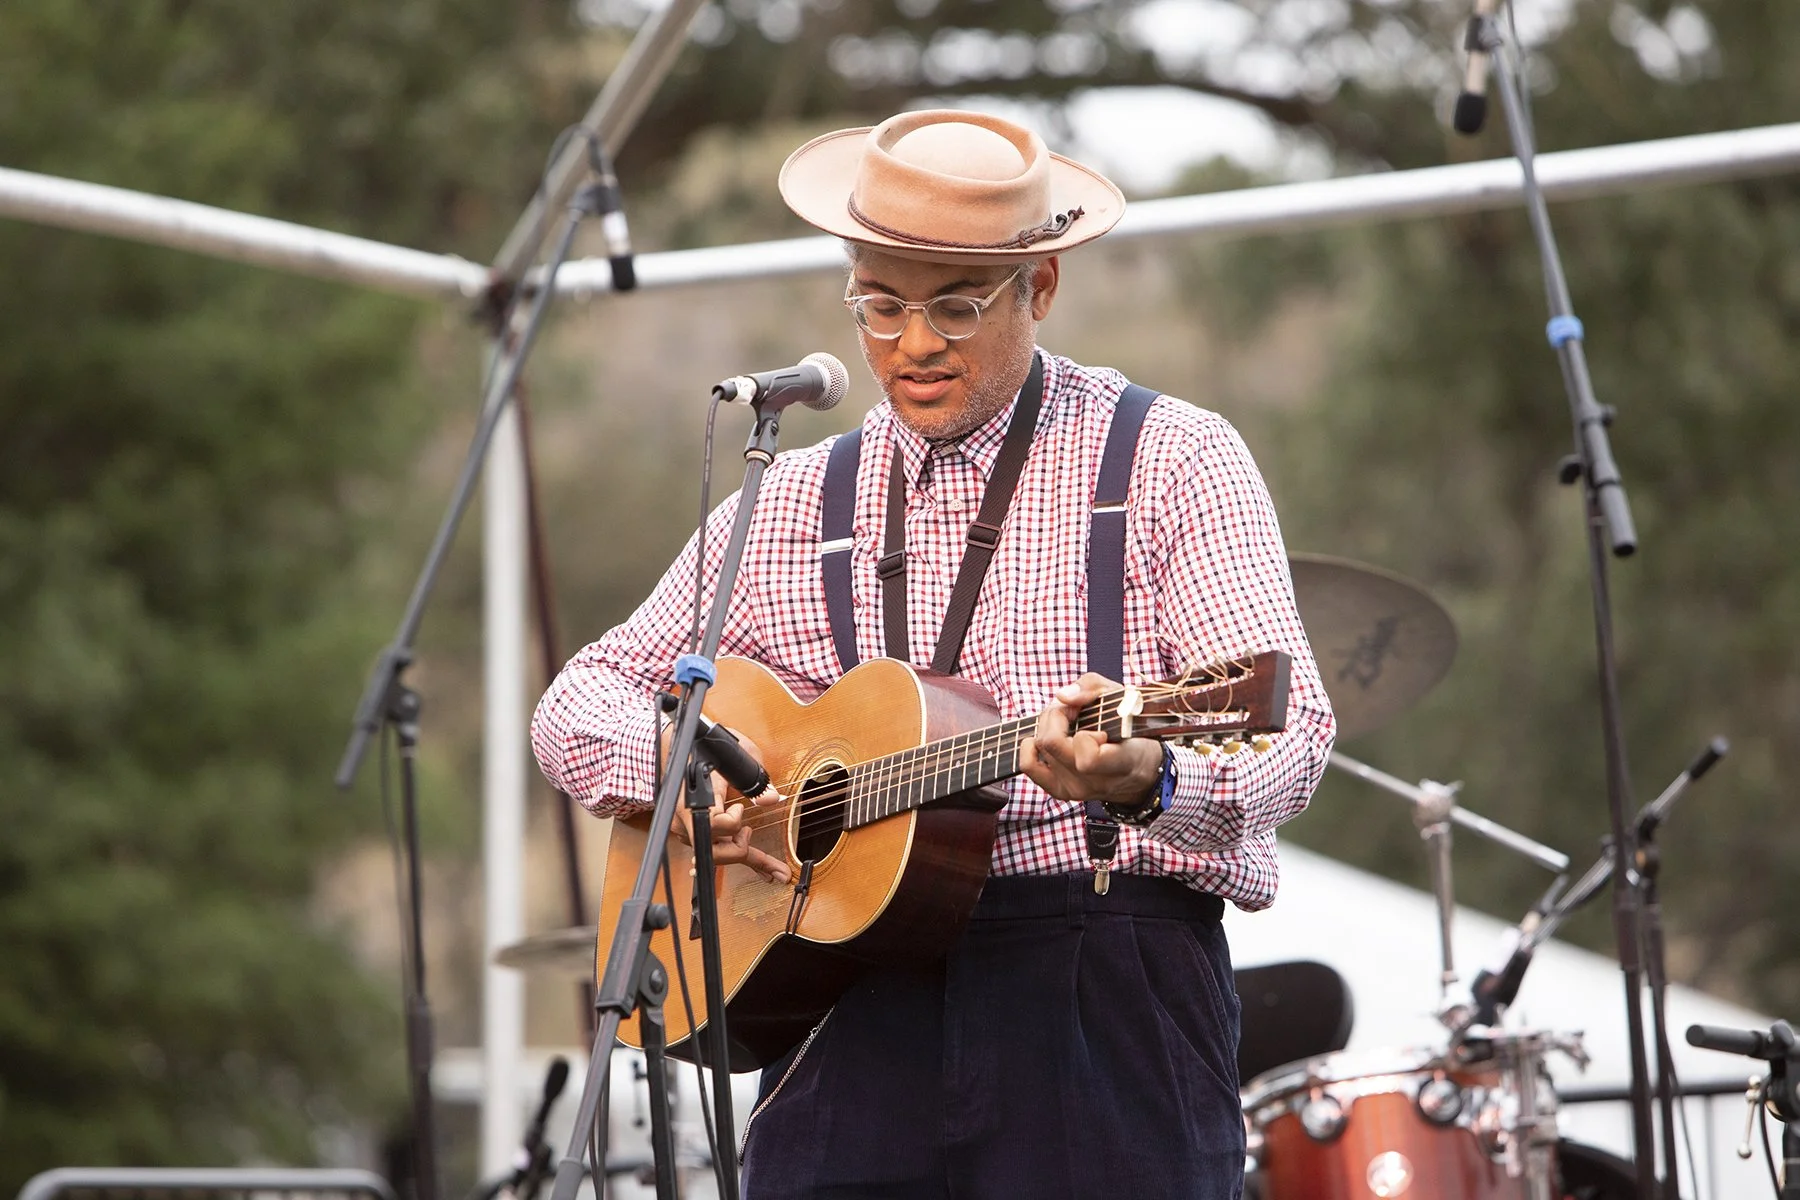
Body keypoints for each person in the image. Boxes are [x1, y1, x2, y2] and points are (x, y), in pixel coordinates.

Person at [532, 109, 1335, 1200]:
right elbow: (577, 703)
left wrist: (1149, 777)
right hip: (843, 1002)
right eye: (879, 304)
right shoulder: (790, 501)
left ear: (1040, 286)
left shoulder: (1170, 458)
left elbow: (1290, 734)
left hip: (1100, 988)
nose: (912, 344)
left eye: (956, 306)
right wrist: (686, 782)